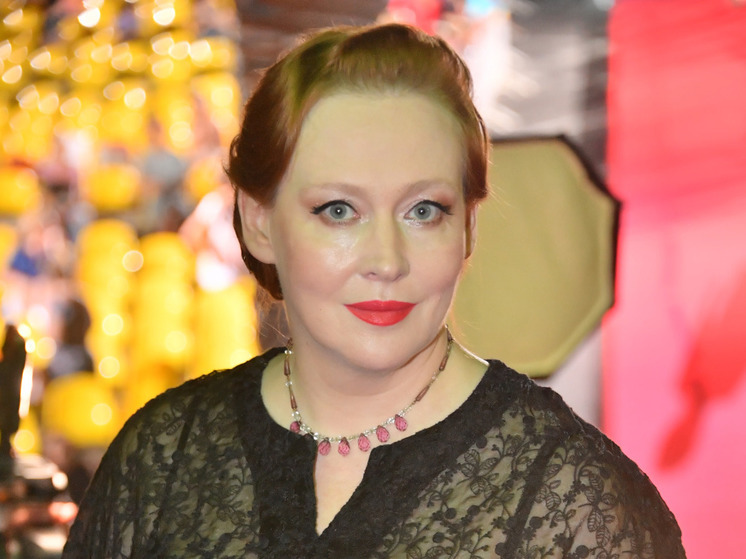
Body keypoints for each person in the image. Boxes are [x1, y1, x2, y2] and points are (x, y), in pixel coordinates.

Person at [62, 24, 686, 558]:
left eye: (424, 211)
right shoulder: (162, 456)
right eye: (338, 210)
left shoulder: (577, 497)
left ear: (468, 228)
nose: (387, 261)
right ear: (258, 223)